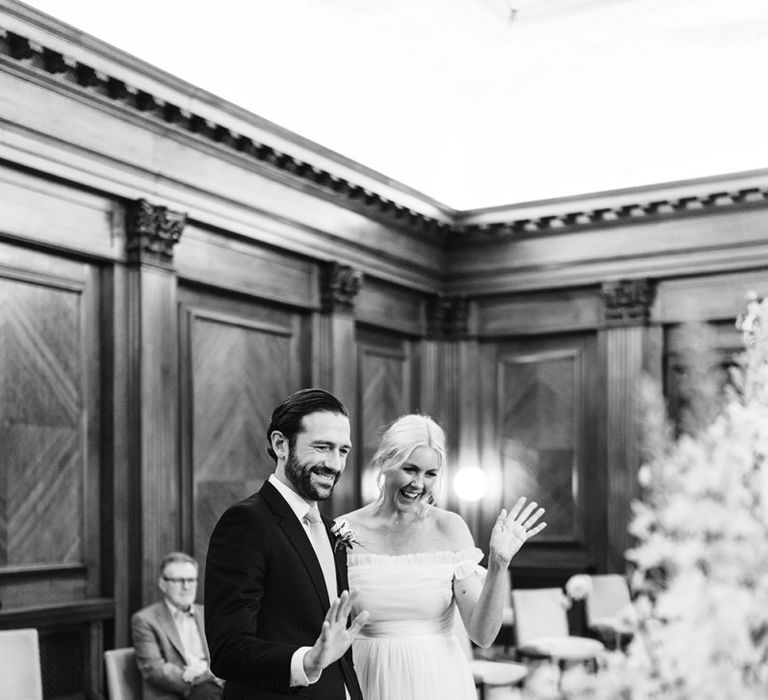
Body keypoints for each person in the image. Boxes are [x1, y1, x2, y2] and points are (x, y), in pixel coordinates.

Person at [339, 414, 547, 700]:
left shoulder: (450, 528)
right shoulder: (343, 530)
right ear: (385, 462)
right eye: (410, 469)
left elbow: (483, 636)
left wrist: (499, 564)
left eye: (430, 474)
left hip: (437, 680)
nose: (419, 484)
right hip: (366, 676)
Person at [204, 388, 369, 700]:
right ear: (281, 444)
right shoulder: (246, 523)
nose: (335, 464)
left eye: (343, 451)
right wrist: (306, 661)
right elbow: (228, 649)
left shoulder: (332, 529)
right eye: (322, 447)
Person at [132, 551, 224, 700]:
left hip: (216, 684)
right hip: (180, 691)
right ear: (163, 584)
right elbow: (154, 669)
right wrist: (198, 678)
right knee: (209, 692)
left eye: (191, 580)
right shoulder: (145, 620)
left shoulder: (208, 613)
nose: (186, 587)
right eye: (179, 581)